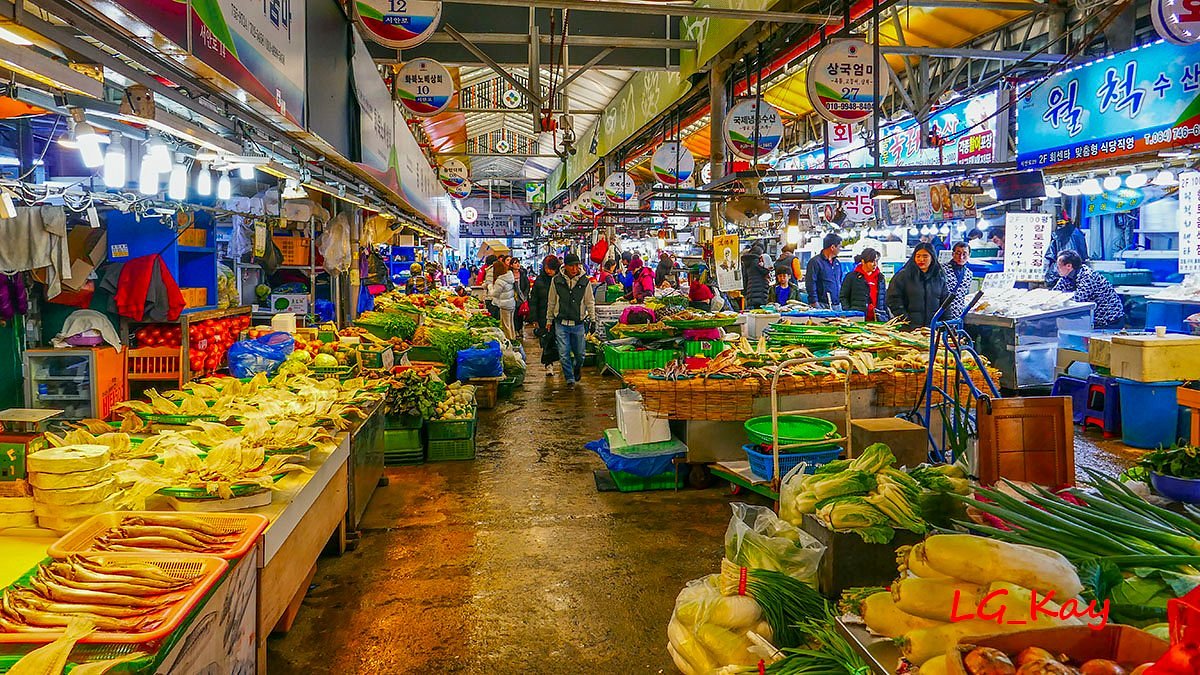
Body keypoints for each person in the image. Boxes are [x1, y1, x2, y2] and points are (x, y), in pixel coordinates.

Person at [546, 253, 595, 388]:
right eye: (571, 266)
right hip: (560, 324)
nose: (574, 269)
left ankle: (577, 367)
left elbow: (589, 302)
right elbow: (551, 301)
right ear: (565, 266)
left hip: (578, 324)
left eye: (576, 265)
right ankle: (569, 378)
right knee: (563, 353)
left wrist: (593, 319)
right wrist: (549, 320)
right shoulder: (556, 280)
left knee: (580, 354)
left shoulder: (585, 281)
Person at [1053, 251, 1125, 329]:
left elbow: (1078, 299)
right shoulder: (1066, 277)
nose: (1057, 269)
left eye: (1058, 266)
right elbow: (1055, 293)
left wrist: (1061, 299)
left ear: (1069, 266)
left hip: (1110, 319)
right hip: (1094, 320)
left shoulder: (1088, 276)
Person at [887, 242, 949, 329]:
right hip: (908, 329)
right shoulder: (903, 276)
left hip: (932, 329)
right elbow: (893, 299)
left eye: (925, 256)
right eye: (918, 256)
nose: (921, 259)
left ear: (932, 258)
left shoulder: (939, 277)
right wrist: (904, 318)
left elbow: (945, 302)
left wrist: (945, 323)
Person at [530, 255, 561, 375]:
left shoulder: (561, 279)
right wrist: (534, 317)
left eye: (551, 268)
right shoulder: (540, 280)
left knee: (561, 341)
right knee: (547, 340)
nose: (548, 271)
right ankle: (549, 365)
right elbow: (533, 300)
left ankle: (564, 363)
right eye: (546, 268)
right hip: (543, 315)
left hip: (560, 315)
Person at [840, 247, 888, 321]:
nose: (875, 264)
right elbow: (843, 296)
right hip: (857, 318)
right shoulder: (852, 277)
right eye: (872, 261)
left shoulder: (880, 278)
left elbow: (883, 299)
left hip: (878, 319)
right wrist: (849, 312)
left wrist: (885, 315)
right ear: (863, 262)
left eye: (876, 261)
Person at [1044, 214, 1089, 285]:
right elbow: (1084, 254)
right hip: (1075, 270)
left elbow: (1050, 256)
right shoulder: (1079, 233)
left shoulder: (1057, 235)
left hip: (1062, 270)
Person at [805, 233, 845, 309]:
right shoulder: (815, 262)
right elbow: (810, 283)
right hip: (821, 304)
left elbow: (840, 281)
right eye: (839, 246)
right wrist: (814, 302)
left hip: (837, 304)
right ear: (832, 247)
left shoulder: (837, 263)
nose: (840, 249)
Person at [944, 242, 975, 319]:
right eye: (958, 253)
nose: (961, 257)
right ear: (953, 254)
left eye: (964, 254)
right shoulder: (942, 270)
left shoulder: (969, 274)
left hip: (959, 315)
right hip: (943, 313)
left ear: (969, 255)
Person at [490, 258, 517, 340]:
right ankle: (513, 338)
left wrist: (490, 287)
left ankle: (510, 341)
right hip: (512, 303)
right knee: (511, 324)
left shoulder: (500, 280)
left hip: (504, 305)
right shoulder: (509, 276)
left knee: (506, 325)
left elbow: (495, 294)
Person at [741, 243, 771, 309]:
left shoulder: (747, 262)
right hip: (760, 290)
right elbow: (766, 271)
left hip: (750, 290)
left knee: (753, 312)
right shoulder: (757, 262)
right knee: (760, 312)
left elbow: (745, 278)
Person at [512, 258, 531, 335]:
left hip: (522, 297)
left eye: (518, 263)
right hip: (513, 297)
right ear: (511, 265)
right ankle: (516, 329)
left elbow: (527, 285)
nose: (517, 264)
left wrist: (525, 295)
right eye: (515, 263)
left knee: (521, 314)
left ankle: (520, 329)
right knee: (515, 314)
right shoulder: (509, 274)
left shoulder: (522, 273)